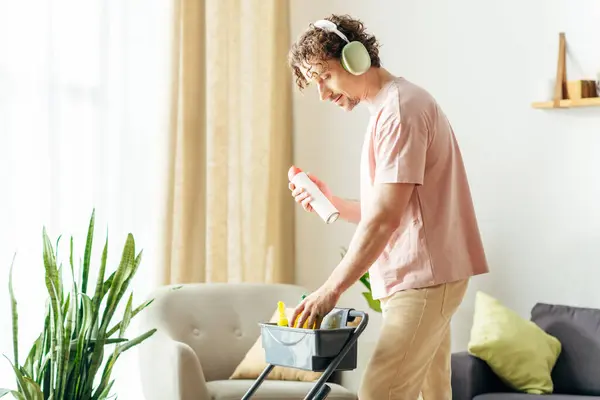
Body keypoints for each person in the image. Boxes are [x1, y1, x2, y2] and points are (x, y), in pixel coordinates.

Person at [286, 14, 490, 400]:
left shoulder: (400, 111)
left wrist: (330, 290)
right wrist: (334, 204)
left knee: (381, 392)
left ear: (355, 59)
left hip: (423, 280)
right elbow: (395, 210)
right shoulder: (390, 109)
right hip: (426, 277)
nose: (323, 94)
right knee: (433, 393)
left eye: (325, 77)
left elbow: (385, 219)